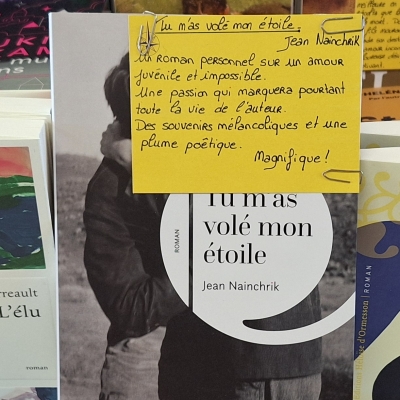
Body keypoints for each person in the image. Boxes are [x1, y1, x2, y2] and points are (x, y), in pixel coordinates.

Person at [100, 54, 323, 400]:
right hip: (228, 358)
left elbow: (222, 231)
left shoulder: (242, 138)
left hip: (254, 360)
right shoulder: (129, 177)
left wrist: (139, 164)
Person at [83, 52, 186, 400]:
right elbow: (130, 309)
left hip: (205, 356)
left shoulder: (194, 171)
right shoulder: (109, 186)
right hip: (144, 358)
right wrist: (208, 269)